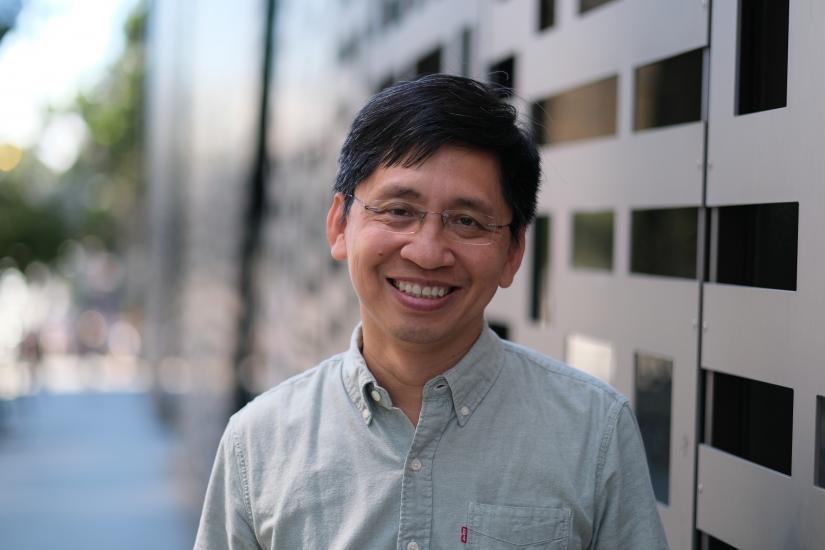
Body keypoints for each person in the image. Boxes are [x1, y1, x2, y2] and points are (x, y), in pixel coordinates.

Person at [194, 74, 668, 550]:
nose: (426, 252)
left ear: (513, 253)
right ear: (340, 225)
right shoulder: (257, 443)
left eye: (467, 221)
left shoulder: (593, 431)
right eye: (399, 210)